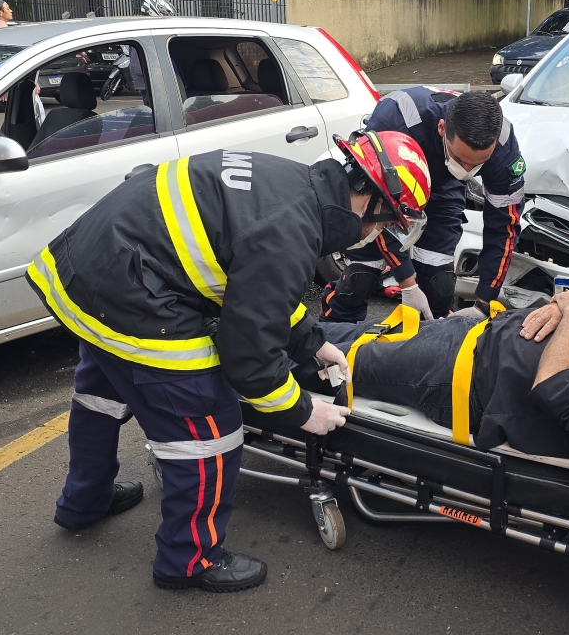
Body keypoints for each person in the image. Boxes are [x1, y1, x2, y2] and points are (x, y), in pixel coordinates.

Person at [26, 131, 431, 592]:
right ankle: (188, 560)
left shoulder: (292, 183)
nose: (381, 234)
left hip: (85, 269)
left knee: (102, 394)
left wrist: (312, 342)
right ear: (368, 203)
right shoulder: (293, 229)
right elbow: (249, 356)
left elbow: (253, 287)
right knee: (209, 427)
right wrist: (301, 411)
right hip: (131, 292)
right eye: (388, 223)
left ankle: (84, 502)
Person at [314, 290, 569, 475]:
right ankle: (263, 326)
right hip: (479, 335)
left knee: (324, 354)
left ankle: (257, 360)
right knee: (336, 333)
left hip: (462, 375)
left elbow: (555, 389)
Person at [321, 88, 525, 323]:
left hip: (443, 188)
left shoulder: (504, 148)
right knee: (360, 278)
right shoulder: (396, 120)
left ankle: (427, 350)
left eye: (477, 164)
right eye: (460, 160)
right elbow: (379, 206)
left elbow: (505, 226)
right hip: (386, 188)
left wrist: (484, 302)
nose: (468, 171)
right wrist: (407, 282)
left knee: (438, 284)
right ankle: (333, 336)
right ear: (442, 129)